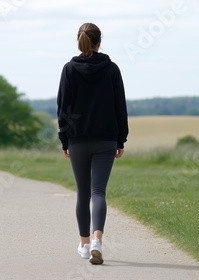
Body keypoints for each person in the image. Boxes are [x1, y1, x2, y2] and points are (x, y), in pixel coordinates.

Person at [57, 22, 129, 265]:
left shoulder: (69, 69)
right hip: (106, 139)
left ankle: (85, 244)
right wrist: (121, 138)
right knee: (98, 191)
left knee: (83, 192)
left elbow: (63, 108)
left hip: (78, 140)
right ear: (99, 41)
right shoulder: (112, 69)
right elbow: (120, 106)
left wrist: (64, 139)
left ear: (79, 40)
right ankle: (98, 239)